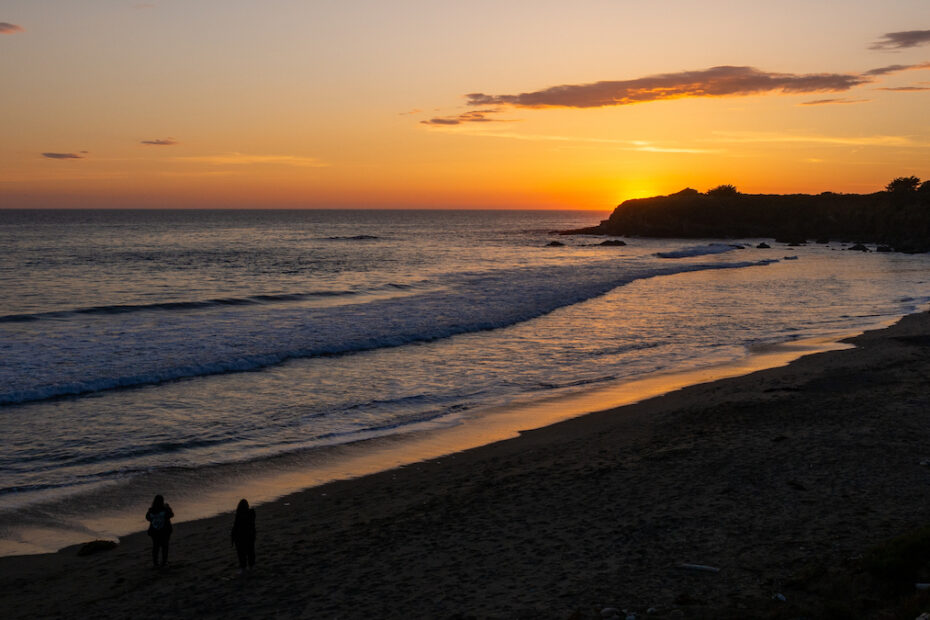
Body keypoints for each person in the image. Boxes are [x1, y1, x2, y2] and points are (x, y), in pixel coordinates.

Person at [145, 494, 174, 568]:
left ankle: (155, 562)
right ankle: (164, 562)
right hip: (165, 531)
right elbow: (171, 515)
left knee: (155, 547)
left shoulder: (151, 510)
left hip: (154, 531)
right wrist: (168, 507)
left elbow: (148, 518)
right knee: (165, 546)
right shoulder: (165, 509)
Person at [231, 498, 256, 573]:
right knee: (250, 552)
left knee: (241, 553)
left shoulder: (239, 515)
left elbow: (235, 527)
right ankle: (251, 567)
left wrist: (232, 538)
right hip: (250, 536)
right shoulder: (251, 514)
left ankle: (243, 568)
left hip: (240, 537)